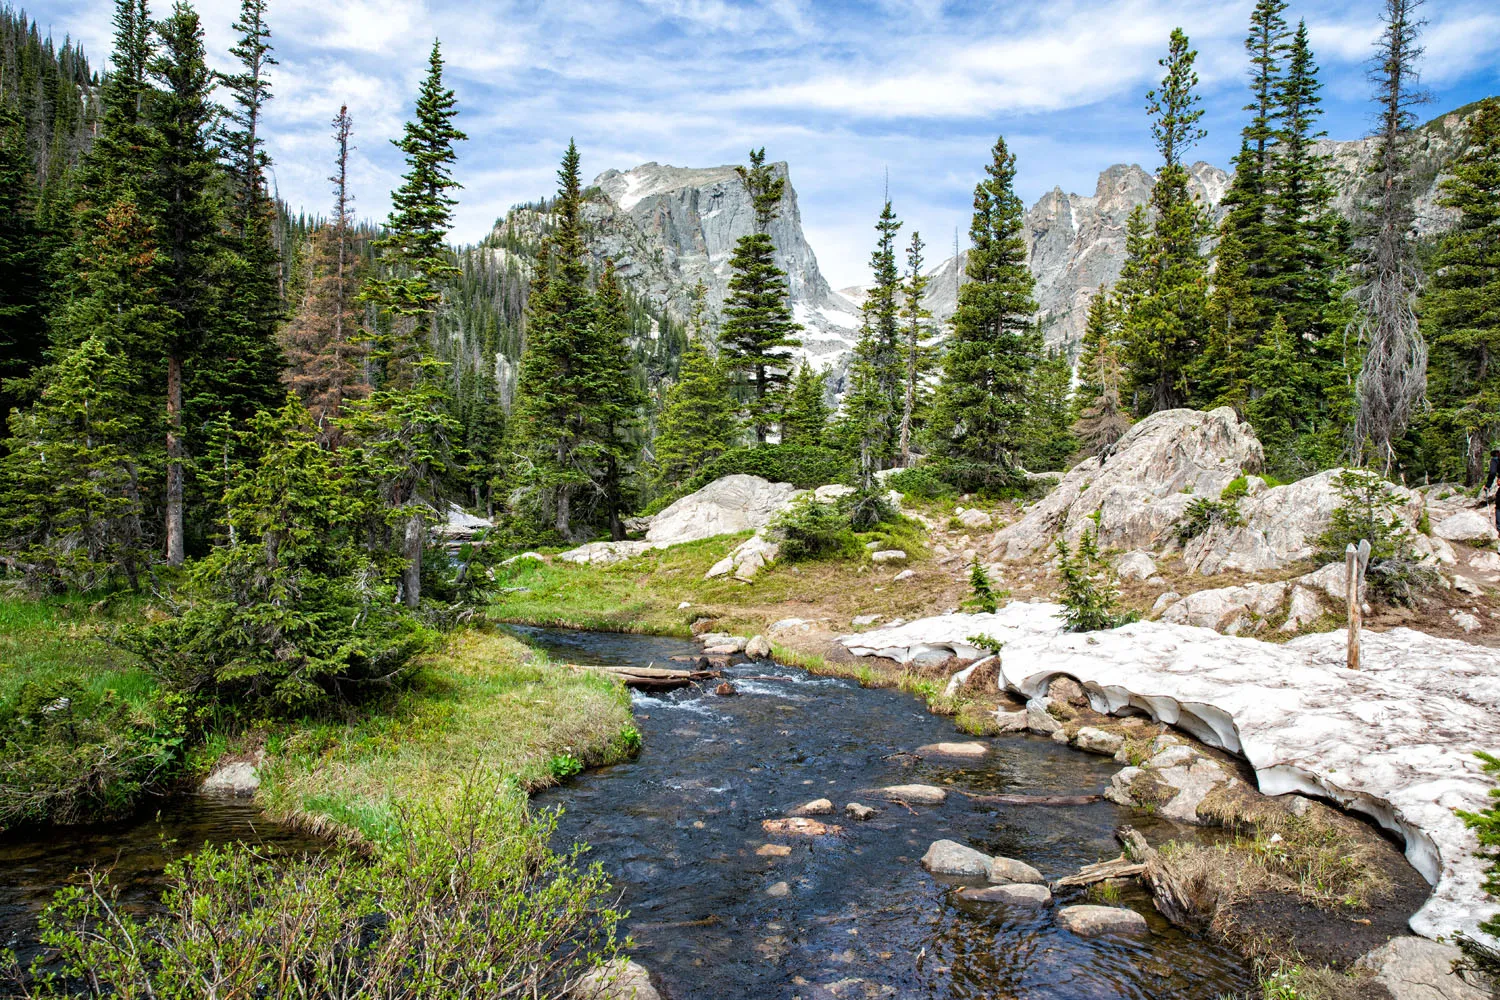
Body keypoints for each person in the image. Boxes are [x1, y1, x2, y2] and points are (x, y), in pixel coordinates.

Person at [1487, 448, 1500, 531]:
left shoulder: (1495, 460)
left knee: (1499, 507)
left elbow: (1492, 473)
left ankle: (1499, 529)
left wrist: (1488, 485)